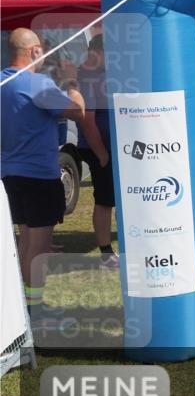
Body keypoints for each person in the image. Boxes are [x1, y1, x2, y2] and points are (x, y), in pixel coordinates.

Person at [2, 29, 104, 327]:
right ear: (34, 51)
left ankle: (26, 307)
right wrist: (72, 82)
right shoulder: (36, 84)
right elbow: (77, 110)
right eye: (43, 50)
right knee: (40, 246)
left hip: (10, 173)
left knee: (26, 239)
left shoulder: (3, 81)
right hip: (39, 175)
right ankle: (37, 312)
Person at [76, 35, 119, 269]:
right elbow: (87, 120)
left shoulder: (99, 75)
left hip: (111, 147)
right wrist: (102, 153)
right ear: (97, 52)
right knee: (104, 200)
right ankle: (105, 254)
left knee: (110, 198)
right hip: (100, 148)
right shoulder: (88, 77)